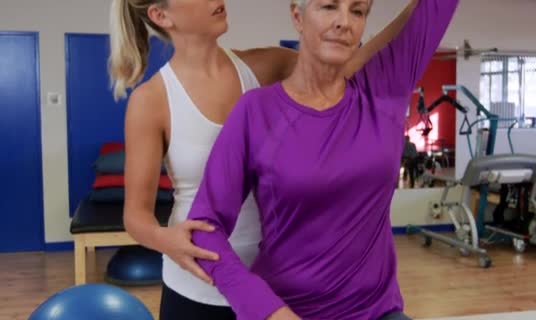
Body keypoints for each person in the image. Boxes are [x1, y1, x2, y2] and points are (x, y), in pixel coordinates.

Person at [109, 0, 420, 319]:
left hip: (272, 289)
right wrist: (166, 240)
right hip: (197, 282)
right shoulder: (152, 100)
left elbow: (350, 59)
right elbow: (135, 214)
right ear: (161, 16)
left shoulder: (266, 65)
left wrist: (415, 15)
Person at [186, 0, 459, 319]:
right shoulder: (256, 111)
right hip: (286, 310)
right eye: (329, 6)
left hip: (376, 312)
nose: (345, 21)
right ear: (297, 16)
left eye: (357, 11)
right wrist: (263, 306)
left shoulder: (383, 91)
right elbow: (203, 227)